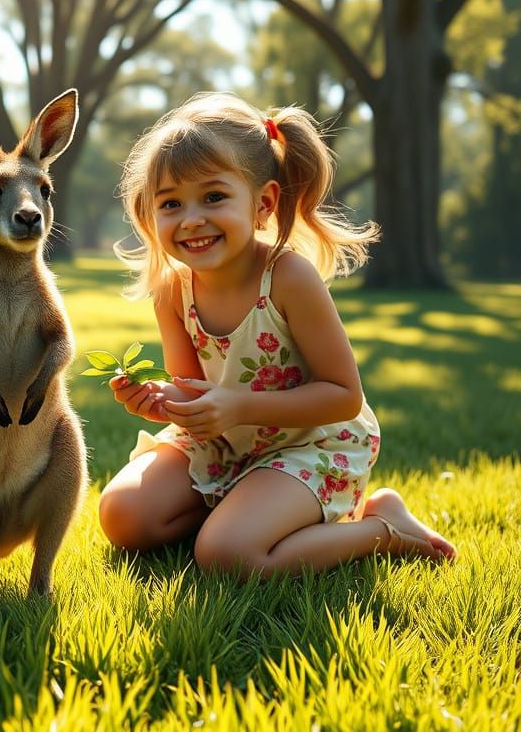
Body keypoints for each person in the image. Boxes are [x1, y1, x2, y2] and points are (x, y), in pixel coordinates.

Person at [98, 92, 456, 576]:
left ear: (262, 203)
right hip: (227, 442)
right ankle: (242, 512)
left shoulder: (287, 278)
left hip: (311, 445)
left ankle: (382, 528)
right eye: (171, 203)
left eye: (214, 197)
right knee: (122, 515)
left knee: (226, 555)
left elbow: (343, 396)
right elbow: (193, 391)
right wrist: (162, 400)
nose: (192, 219)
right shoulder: (173, 289)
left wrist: (239, 407)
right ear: (150, 213)